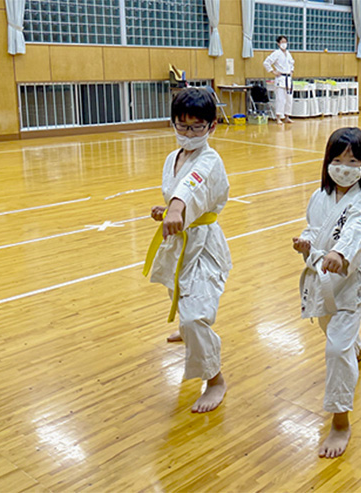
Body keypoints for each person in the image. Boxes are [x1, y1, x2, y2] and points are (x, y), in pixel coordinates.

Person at [143, 87, 232, 413]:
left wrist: (178, 208)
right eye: (182, 126)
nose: (189, 133)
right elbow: (176, 193)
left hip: (204, 243)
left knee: (195, 315)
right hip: (180, 238)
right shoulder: (173, 157)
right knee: (177, 291)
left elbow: (191, 184)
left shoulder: (209, 159)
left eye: (196, 127)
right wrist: (166, 210)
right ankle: (187, 333)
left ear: (212, 126)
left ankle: (216, 380)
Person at [292, 127, 361, 458]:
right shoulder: (319, 196)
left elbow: (356, 232)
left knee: (334, 351)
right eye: (338, 160)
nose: (344, 166)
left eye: (352, 160)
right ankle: (356, 347)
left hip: (348, 287)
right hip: (321, 285)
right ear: (328, 162)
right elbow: (313, 228)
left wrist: (339, 254)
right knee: (335, 336)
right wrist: (305, 242)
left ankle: (340, 421)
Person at [263, 35, 295, 125]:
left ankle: (287, 116)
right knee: (280, 99)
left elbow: (292, 63)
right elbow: (266, 63)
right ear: (278, 43)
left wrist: (291, 70)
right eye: (282, 42)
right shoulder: (276, 53)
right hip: (280, 78)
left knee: (289, 99)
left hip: (288, 78)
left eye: (285, 42)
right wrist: (273, 71)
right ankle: (278, 117)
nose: (284, 44)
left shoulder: (288, 53)